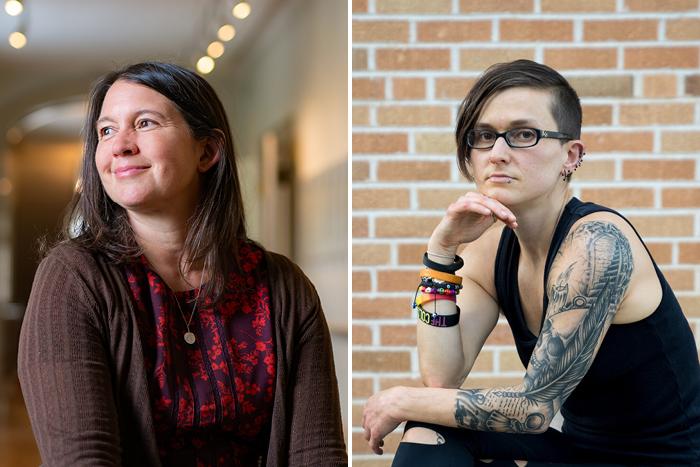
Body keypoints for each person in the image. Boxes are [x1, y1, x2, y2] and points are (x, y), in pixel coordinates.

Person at [361, 59, 700, 466]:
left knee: (421, 411)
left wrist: (401, 399)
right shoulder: (488, 249)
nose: (498, 153)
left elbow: (534, 409)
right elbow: (442, 378)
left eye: (523, 134)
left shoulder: (596, 243)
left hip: (661, 461)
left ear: (570, 155)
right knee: (430, 430)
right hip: (577, 453)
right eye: (484, 136)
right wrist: (441, 254)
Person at [18, 62, 347, 467]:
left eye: (145, 123)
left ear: (207, 151)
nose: (120, 144)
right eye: (106, 130)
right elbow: (84, 459)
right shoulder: (72, 279)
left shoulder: (283, 287)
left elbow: (317, 453)